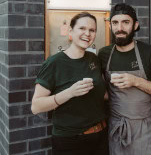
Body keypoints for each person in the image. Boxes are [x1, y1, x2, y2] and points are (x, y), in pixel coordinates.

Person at [98, 3, 151, 155]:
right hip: (116, 130)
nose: (120, 28)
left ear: (135, 25)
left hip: (144, 130)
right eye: (115, 23)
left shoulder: (150, 53)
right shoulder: (104, 54)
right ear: (110, 26)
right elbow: (103, 92)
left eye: (126, 22)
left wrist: (136, 81)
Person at [31, 12, 108, 155]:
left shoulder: (94, 59)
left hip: (101, 137)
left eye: (92, 30)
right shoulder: (54, 63)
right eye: (82, 28)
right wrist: (70, 92)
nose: (87, 34)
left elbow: (102, 94)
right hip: (71, 142)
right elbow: (36, 106)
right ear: (71, 31)